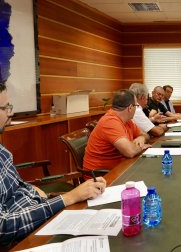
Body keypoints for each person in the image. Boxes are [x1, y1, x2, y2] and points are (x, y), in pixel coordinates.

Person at [0, 83, 106, 246]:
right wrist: (69, 197)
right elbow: (3, 228)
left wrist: (43, 196)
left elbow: (17, 187)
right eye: (5, 107)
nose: (11, 112)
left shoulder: (2, 150)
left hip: (40, 217)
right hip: (26, 239)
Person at [83, 89, 151, 171]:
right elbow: (130, 151)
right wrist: (141, 146)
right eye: (136, 106)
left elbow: (145, 135)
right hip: (101, 176)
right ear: (130, 108)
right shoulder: (110, 121)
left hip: (121, 167)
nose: (136, 109)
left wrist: (141, 138)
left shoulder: (127, 120)